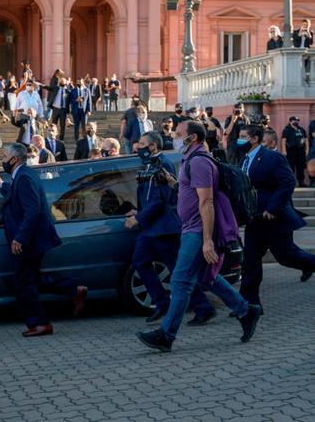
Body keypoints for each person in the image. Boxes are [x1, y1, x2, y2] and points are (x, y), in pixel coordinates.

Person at [136, 121, 261, 352]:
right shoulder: (190, 160)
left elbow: (207, 202)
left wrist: (207, 240)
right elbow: (193, 195)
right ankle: (246, 310)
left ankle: (166, 335)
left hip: (197, 230)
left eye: (178, 134)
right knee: (206, 277)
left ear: (192, 138)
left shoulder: (200, 162)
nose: (174, 137)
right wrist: (174, 184)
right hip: (191, 228)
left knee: (180, 281)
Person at [0, 143, 87, 337]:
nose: (2, 158)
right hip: (30, 239)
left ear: (14, 159)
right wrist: (1, 185)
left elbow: (33, 209)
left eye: (5, 156)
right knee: (30, 279)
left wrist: (20, 238)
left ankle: (40, 323)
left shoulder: (23, 177)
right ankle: (73, 290)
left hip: (29, 241)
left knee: (23, 283)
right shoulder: (22, 175)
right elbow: (18, 196)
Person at [125, 132, 216, 324]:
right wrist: (137, 211)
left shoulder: (162, 165)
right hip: (150, 228)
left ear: (152, 147)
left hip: (163, 228)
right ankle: (162, 302)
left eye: (141, 143)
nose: (137, 146)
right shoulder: (148, 164)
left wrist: (139, 218)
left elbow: (160, 199)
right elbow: (147, 196)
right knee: (140, 262)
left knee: (178, 270)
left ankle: (203, 307)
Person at [237, 124, 315, 309]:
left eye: (242, 136)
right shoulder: (245, 160)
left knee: (286, 256)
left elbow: (288, 182)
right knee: (250, 260)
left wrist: (272, 208)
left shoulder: (273, 158)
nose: (239, 140)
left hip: (274, 218)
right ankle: (249, 304)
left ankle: (310, 264)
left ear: (254, 139)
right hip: (255, 219)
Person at [281, 116, 308, 187]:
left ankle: (301, 182)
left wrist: (307, 149)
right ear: (290, 121)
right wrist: (284, 150)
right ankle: (292, 182)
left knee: (300, 167)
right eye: (294, 120)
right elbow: (283, 140)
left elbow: (306, 139)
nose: (296, 122)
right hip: (291, 150)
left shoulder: (301, 129)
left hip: (300, 151)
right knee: (291, 167)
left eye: (297, 120)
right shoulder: (287, 130)